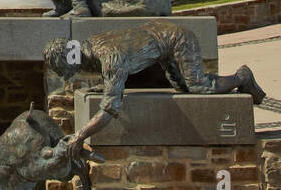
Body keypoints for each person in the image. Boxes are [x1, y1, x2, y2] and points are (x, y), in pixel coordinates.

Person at [43, 22, 267, 153]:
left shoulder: (108, 57)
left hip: (176, 39)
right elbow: (115, 70)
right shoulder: (90, 45)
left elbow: (111, 107)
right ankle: (239, 80)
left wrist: (80, 136)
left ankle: (241, 77)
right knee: (181, 85)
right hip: (162, 41)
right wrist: (104, 85)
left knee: (198, 86)